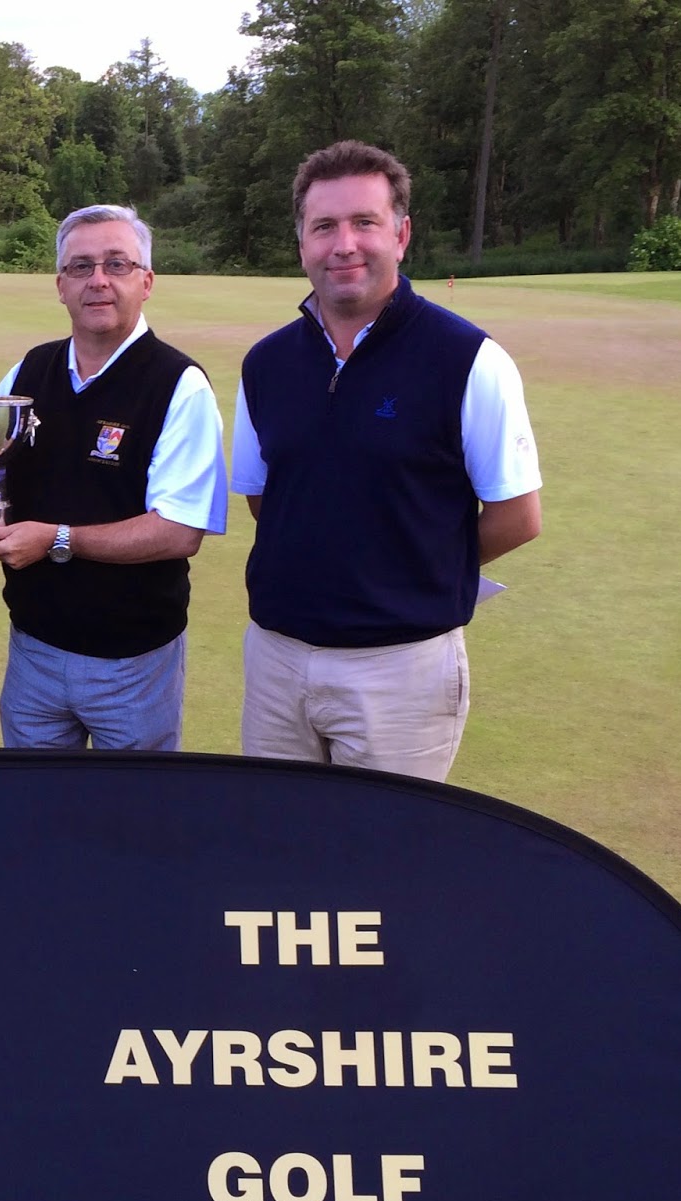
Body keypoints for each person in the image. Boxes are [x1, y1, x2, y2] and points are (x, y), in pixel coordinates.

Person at [233, 139, 542, 782]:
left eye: (364, 222)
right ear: (302, 245)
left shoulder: (468, 359)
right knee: (274, 849)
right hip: (277, 659)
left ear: (401, 235)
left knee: (381, 870)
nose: (343, 244)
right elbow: (267, 498)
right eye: (324, 227)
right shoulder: (266, 363)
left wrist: (409, 567)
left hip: (401, 670)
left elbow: (517, 515)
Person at [0, 205, 227, 751]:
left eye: (117, 264)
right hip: (33, 651)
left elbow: (180, 531)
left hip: (132, 666)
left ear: (146, 281)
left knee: (127, 827)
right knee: (35, 822)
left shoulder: (179, 384)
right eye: (80, 267)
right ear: (60, 285)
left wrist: (57, 539)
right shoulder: (29, 372)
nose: (98, 280)